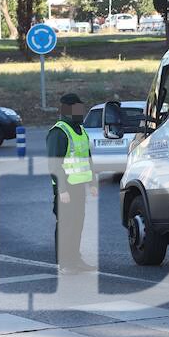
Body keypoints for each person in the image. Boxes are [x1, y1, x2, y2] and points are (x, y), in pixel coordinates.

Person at [47, 93, 97, 274]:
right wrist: (62, 189)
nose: (80, 112)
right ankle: (65, 263)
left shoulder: (80, 130)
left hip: (79, 188)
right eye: (77, 109)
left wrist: (92, 183)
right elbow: (54, 164)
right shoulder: (59, 132)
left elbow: (87, 158)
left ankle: (75, 259)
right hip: (65, 189)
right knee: (66, 226)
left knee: (77, 225)